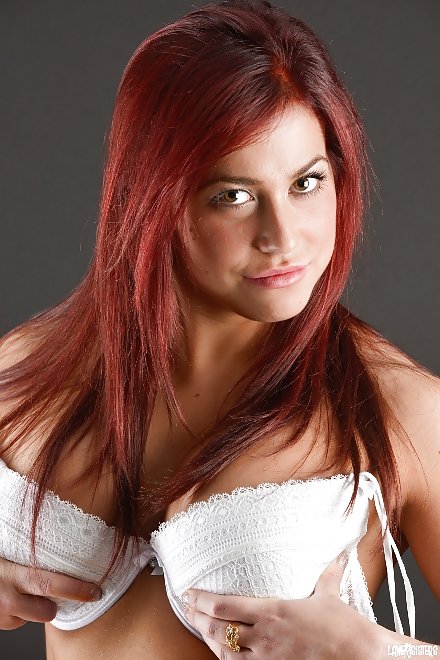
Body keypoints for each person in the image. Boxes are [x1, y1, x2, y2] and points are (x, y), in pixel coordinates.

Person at [0, 0, 438, 658]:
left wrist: (377, 654)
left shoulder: (397, 409)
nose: (283, 238)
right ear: (149, 199)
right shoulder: (25, 367)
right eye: (233, 195)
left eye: (307, 182)